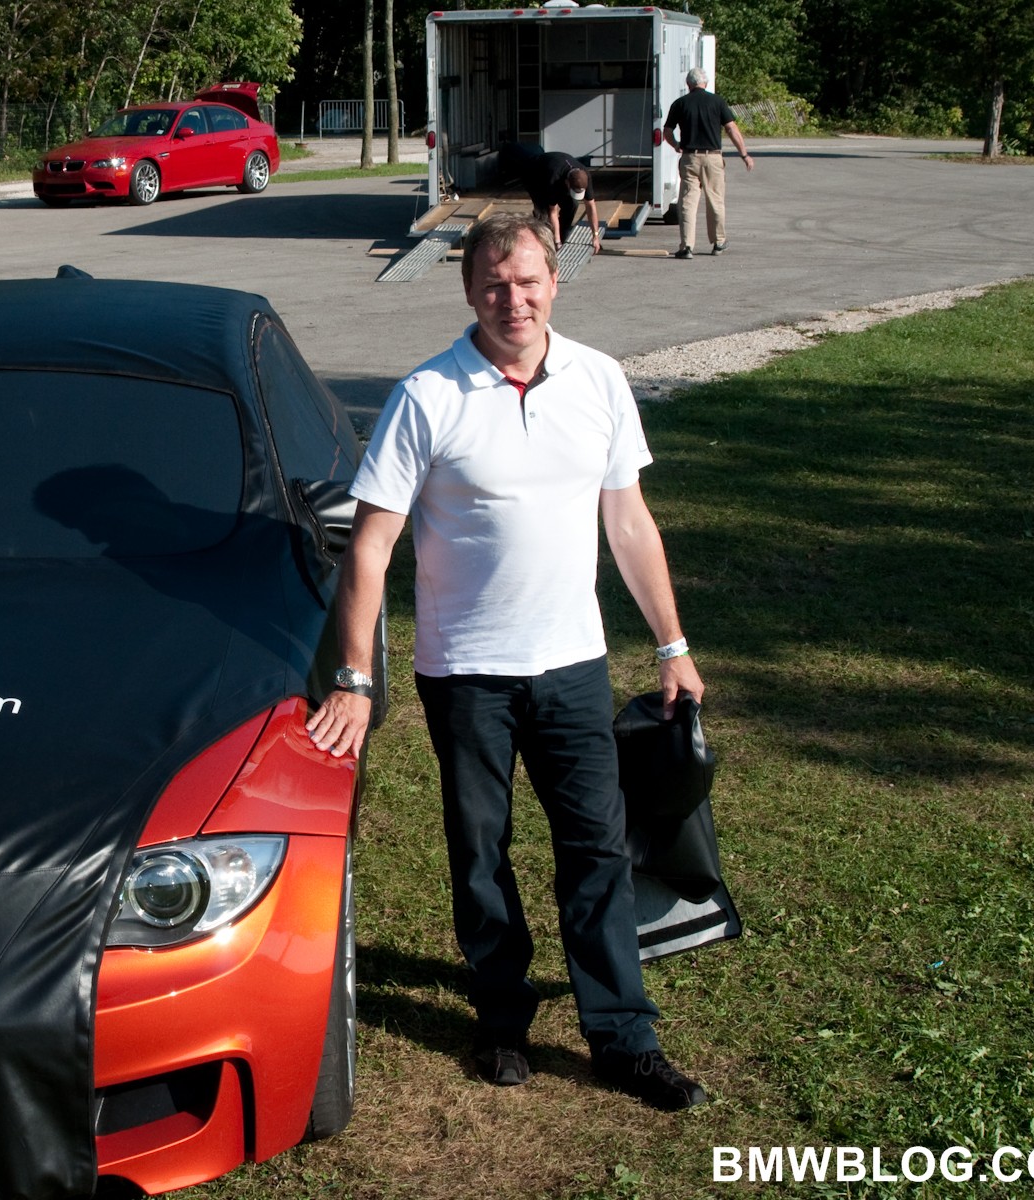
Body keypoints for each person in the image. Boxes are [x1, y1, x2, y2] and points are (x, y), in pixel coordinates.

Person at [305, 212, 710, 1110]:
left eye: (526, 281)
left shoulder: (599, 380)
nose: (511, 299)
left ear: (555, 282)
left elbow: (628, 522)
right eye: (492, 284)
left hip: (573, 665)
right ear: (467, 290)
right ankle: (499, 1018)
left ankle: (622, 1036)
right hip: (464, 673)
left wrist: (672, 645)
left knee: (595, 848)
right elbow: (370, 546)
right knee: (480, 851)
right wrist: (354, 679)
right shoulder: (426, 395)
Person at [661, 68, 753, 259]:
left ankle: (687, 246)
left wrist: (677, 145)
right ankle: (718, 242)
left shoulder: (680, 103)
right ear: (706, 83)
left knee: (687, 203)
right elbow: (731, 129)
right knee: (715, 201)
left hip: (690, 158)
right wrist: (744, 155)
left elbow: (667, 131)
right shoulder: (717, 101)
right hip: (713, 158)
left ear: (688, 84)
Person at [522, 150, 603, 254]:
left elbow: (591, 206)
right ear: (567, 183)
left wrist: (595, 236)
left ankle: (562, 238)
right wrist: (556, 241)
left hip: (557, 169)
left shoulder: (585, 176)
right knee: (543, 214)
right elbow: (553, 211)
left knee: (572, 205)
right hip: (535, 175)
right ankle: (543, 246)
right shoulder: (554, 178)